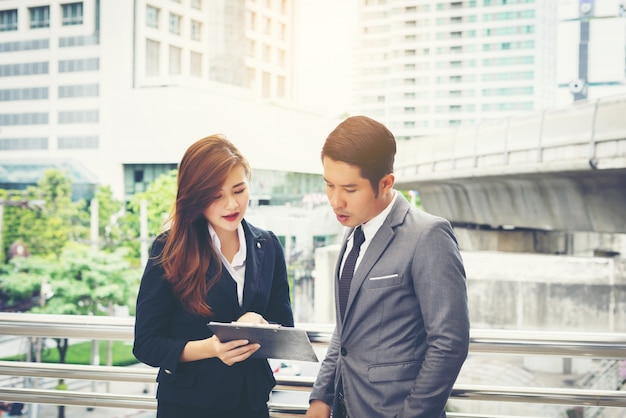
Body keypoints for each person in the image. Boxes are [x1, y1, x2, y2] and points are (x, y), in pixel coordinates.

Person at [306, 116, 470, 418]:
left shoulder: (428, 235)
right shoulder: (354, 230)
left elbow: (449, 344)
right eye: (329, 185)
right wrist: (321, 398)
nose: (335, 200)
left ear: (386, 183)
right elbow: (346, 332)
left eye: (350, 189)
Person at [133, 134, 294, 418]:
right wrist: (210, 348)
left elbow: (284, 325)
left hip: (251, 404)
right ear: (195, 197)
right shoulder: (169, 249)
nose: (231, 205)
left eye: (239, 190)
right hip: (188, 406)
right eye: (216, 196)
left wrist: (259, 322)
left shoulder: (268, 245)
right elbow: (147, 344)